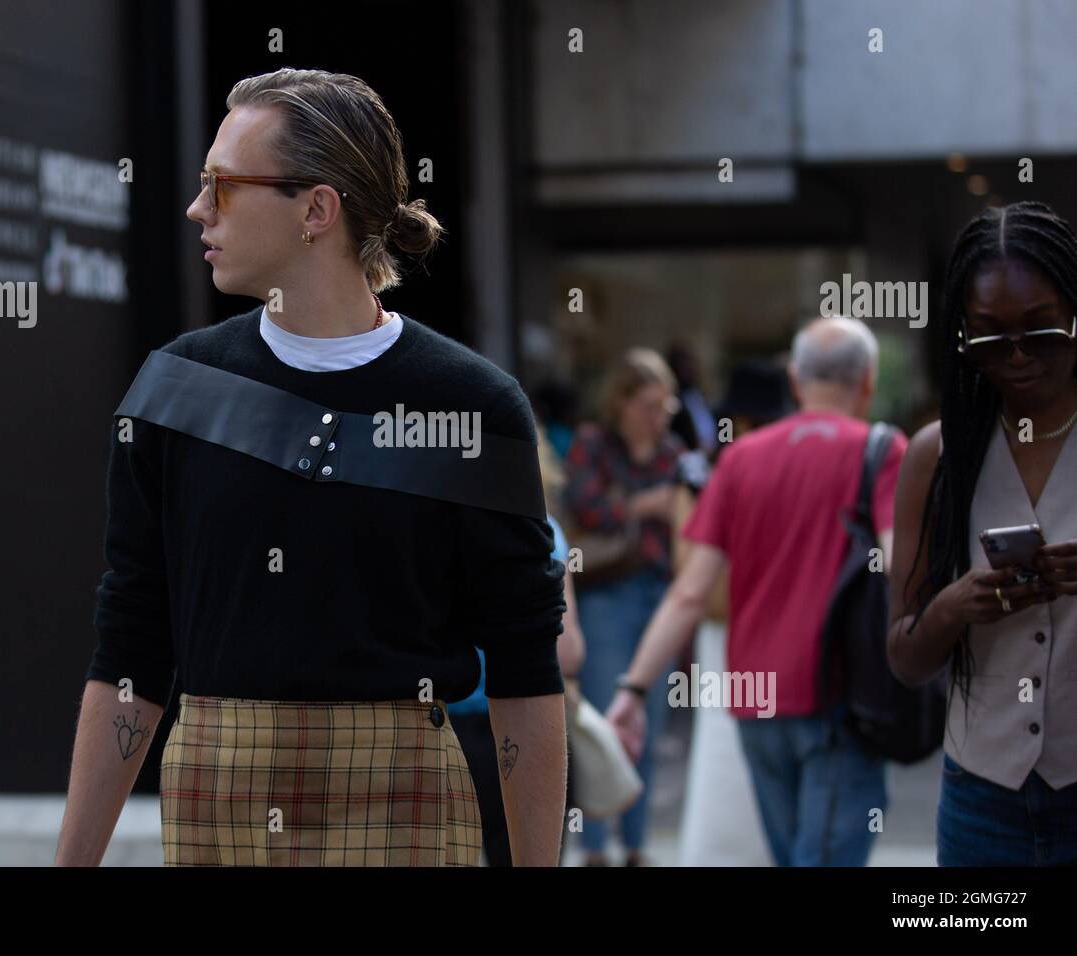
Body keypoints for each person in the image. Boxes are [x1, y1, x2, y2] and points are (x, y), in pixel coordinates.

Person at [55, 67, 569, 867]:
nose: (197, 209)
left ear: (316, 210)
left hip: (407, 806)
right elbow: (131, 644)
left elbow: (525, 669)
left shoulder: (472, 405)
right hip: (214, 799)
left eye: (221, 186)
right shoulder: (172, 389)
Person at [607, 317, 908, 867]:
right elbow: (898, 568)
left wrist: (633, 688)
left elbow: (689, 593)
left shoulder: (740, 459)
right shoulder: (881, 451)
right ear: (867, 379)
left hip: (753, 701)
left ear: (795, 380)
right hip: (837, 694)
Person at [886, 200, 1077, 867]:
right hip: (983, 804)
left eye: (1042, 332)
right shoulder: (936, 457)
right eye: (991, 337)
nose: (1018, 357)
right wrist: (953, 605)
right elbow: (906, 659)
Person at [562, 348, 684, 866]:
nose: (655, 416)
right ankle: (593, 847)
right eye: (646, 405)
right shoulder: (594, 443)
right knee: (601, 721)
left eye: (663, 406)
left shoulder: (674, 451)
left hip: (660, 594)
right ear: (623, 403)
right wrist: (644, 504)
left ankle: (636, 844)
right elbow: (584, 505)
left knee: (647, 725)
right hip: (607, 593)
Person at [449, 423, 586, 866]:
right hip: (528, 723)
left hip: (446, 729)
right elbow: (569, 652)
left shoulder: (432, 523)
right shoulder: (545, 530)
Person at [674, 360, 792, 866]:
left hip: (771, 634)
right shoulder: (701, 472)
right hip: (730, 638)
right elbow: (696, 584)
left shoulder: (783, 470)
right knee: (727, 759)